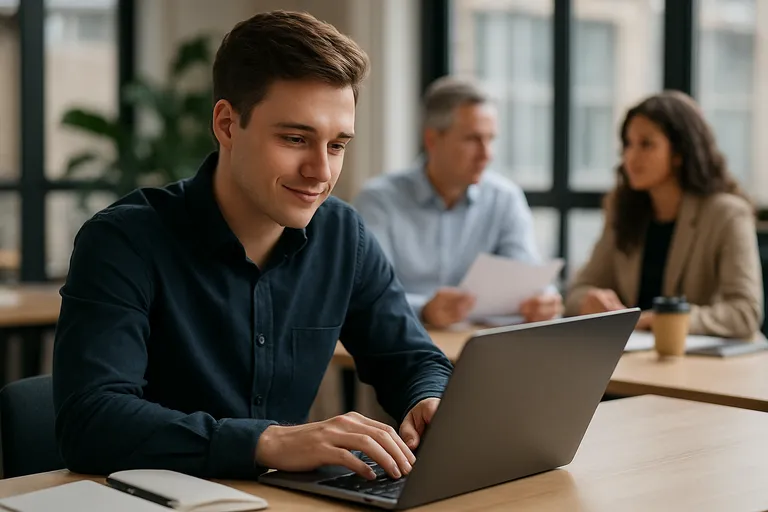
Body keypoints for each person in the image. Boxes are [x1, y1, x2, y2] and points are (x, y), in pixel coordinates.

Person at [52, 10, 453, 483]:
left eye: (337, 145)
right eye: (295, 138)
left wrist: (428, 398)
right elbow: (91, 420)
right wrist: (269, 441)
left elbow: (412, 359)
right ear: (226, 124)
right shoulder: (123, 241)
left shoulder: (344, 236)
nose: (321, 172)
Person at [353, 77, 562, 329]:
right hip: (400, 349)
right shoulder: (379, 201)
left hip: (481, 352)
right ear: (432, 139)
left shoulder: (504, 198)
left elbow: (529, 279)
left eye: (491, 139)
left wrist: (543, 301)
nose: (487, 154)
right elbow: (364, 296)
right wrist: (425, 310)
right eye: (473, 139)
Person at [565, 91, 763, 339]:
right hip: (639, 358)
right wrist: (588, 301)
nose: (631, 156)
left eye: (646, 144)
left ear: (679, 153)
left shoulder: (727, 214)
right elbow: (577, 292)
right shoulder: (623, 210)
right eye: (628, 144)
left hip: (714, 365)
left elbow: (745, 312)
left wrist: (668, 319)